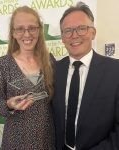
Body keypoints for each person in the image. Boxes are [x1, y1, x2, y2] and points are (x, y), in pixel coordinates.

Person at [52, 1, 119, 150]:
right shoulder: (54, 70)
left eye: (82, 28)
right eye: (68, 30)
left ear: (93, 33)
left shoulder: (115, 71)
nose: (74, 35)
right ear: (62, 37)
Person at [0, 6, 55, 150]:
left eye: (32, 28)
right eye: (20, 29)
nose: (27, 34)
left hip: (47, 139)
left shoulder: (49, 61)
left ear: (39, 30)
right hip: (16, 141)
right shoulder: (0, 65)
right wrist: (9, 104)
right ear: (13, 32)